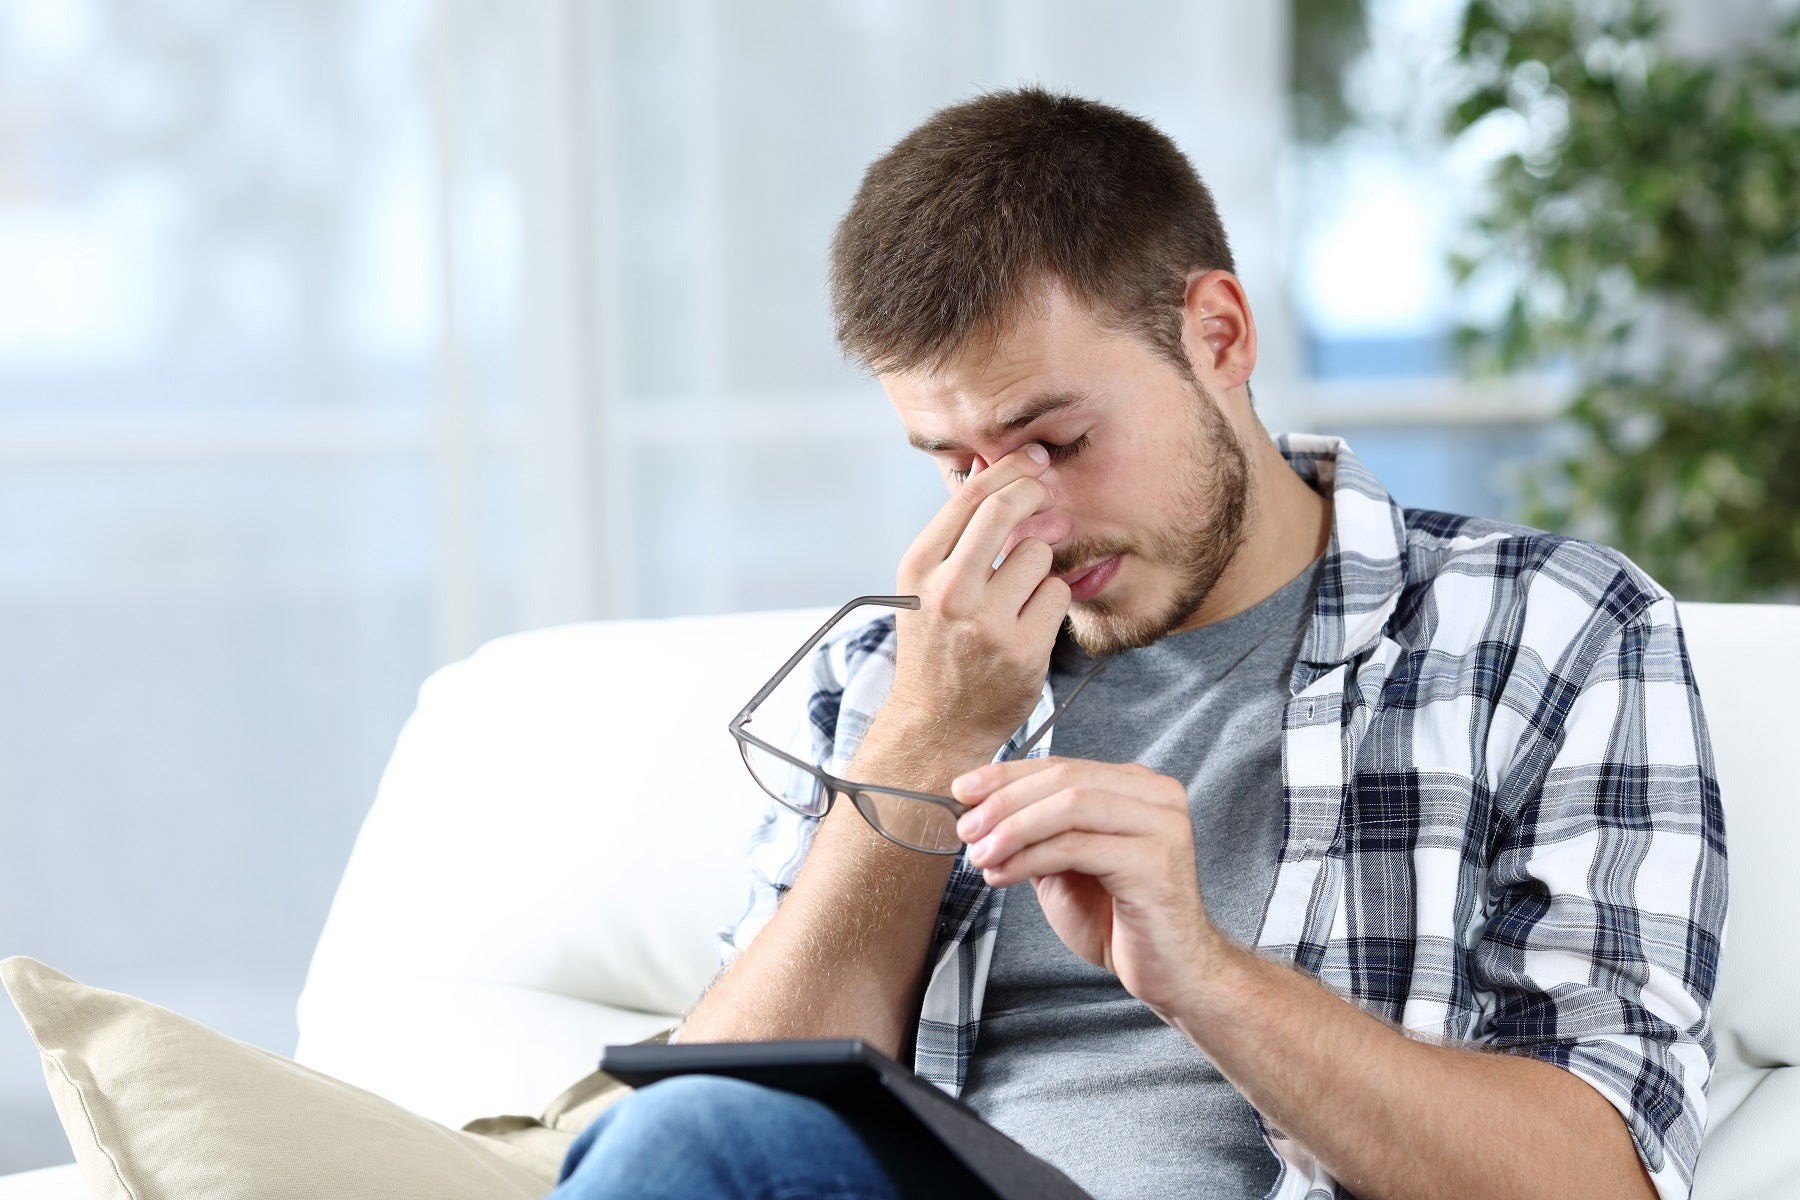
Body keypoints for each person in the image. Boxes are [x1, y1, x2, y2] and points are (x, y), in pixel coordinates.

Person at [549, 88, 1726, 1200]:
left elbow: (1600, 1174)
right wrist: (926, 739)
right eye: (958, 465)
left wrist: (1201, 974)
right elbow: (721, 1113)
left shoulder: (1545, 629)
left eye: (1055, 439)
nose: (1023, 519)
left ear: (1218, 333)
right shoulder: (896, 674)